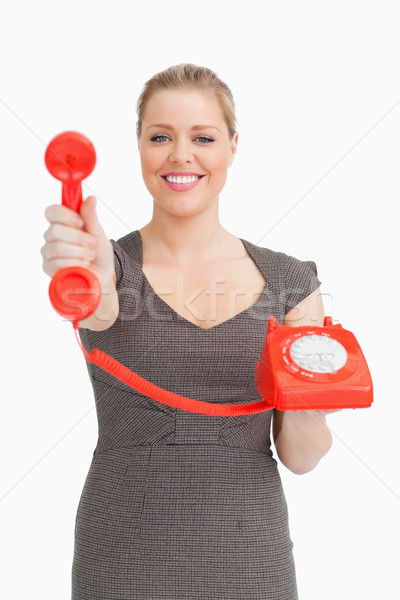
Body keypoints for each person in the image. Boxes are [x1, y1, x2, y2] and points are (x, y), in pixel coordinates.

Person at [41, 63, 335, 600]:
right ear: (139, 146)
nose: (181, 155)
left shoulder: (291, 282)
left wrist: (311, 399)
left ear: (232, 147)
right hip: (124, 555)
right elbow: (99, 304)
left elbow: (300, 456)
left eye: (203, 137)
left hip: (251, 559)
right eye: (161, 137)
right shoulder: (111, 268)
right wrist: (85, 265)